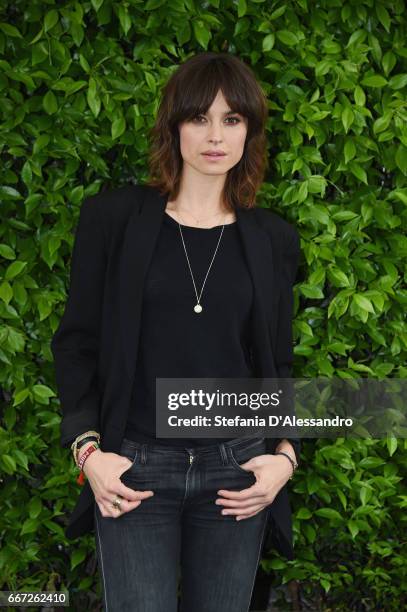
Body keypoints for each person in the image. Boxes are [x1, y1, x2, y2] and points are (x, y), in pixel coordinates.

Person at [51, 51, 301, 612]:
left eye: (232, 119)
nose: (216, 136)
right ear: (174, 126)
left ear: (249, 133)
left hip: (236, 474)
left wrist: (283, 457)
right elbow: (76, 343)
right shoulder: (113, 220)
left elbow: (277, 364)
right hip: (136, 471)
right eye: (200, 118)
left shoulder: (272, 240)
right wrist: (89, 452)